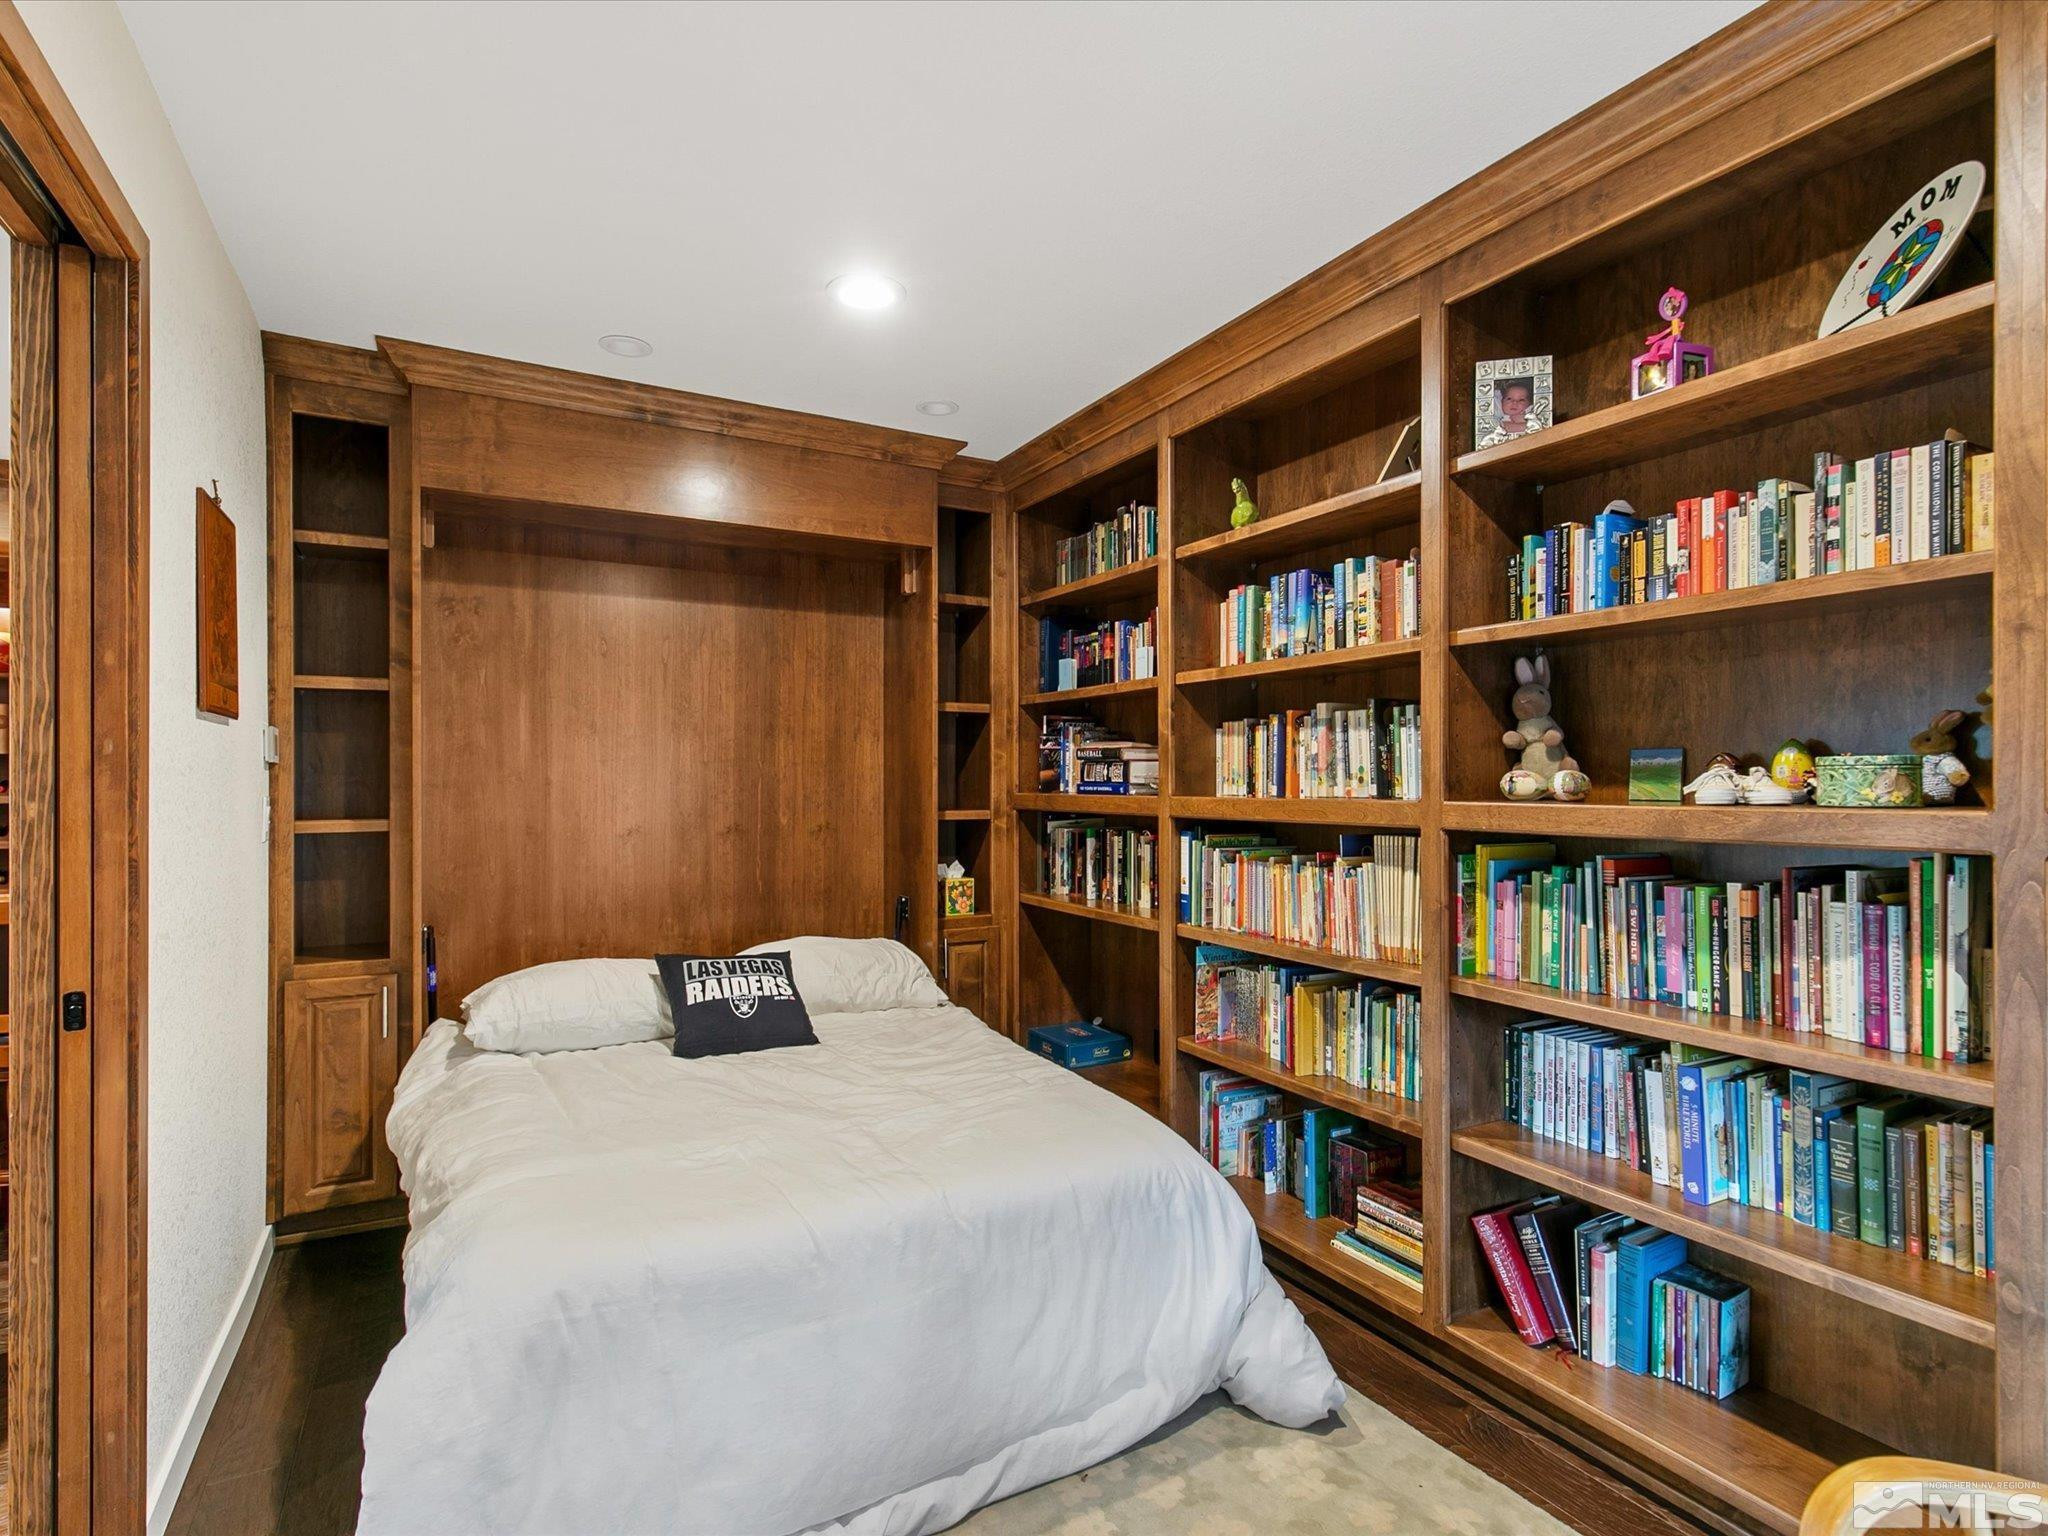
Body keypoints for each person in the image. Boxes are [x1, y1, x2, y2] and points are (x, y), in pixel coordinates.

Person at [1479, 378, 1539, 447]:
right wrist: (1525, 425)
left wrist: (1523, 419)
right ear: (1501, 401)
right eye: (1509, 399)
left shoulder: (1531, 413)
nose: (1514, 402)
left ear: (1529, 404)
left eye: (1521, 400)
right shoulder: (1501, 418)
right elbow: (1503, 428)